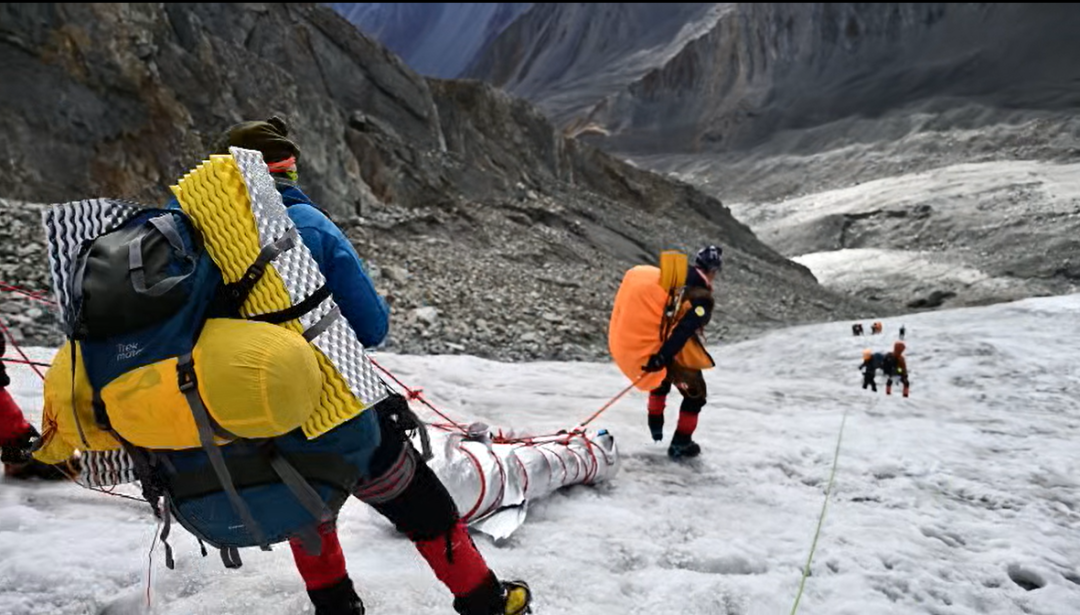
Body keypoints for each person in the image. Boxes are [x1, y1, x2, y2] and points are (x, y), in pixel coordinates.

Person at [210, 117, 531, 615]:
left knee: (306, 509)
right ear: (287, 173)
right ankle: (487, 601)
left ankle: (337, 607)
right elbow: (371, 325)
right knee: (422, 505)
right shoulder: (309, 227)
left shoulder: (199, 235)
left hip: (250, 418)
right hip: (338, 407)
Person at [641, 245, 722, 459]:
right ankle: (681, 443)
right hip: (676, 354)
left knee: (661, 381)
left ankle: (655, 424)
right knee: (695, 397)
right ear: (713, 270)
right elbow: (684, 329)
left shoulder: (675, 282)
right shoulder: (701, 297)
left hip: (655, 343)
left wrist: (659, 355)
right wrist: (664, 356)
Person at [0, 334, 71, 480]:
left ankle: (25, 452)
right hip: (19, 438)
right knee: (25, 437)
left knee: (25, 436)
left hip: (20, 437)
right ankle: (27, 455)